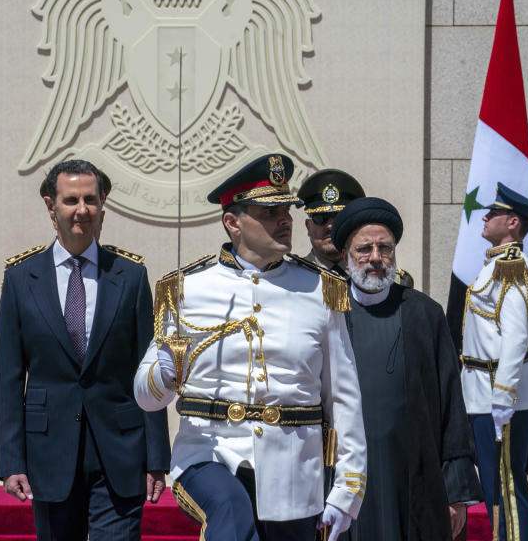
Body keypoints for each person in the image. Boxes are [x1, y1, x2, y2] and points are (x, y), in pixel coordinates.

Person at [134, 153, 367, 541]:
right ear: (232, 222)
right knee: (230, 513)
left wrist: (349, 487)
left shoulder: (321, 289)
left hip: (294, 473)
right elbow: (145, 396)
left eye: (286, 210)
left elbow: (344, 398)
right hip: (208, 459)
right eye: (269, 211)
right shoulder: (185, 289)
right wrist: (167, 370)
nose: (285, 220)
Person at [0, 159, 171, 541]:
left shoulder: (130, 276)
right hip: (49, 451)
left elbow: (150, 370)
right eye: (71, 200)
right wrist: (10, 461)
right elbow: (8, 377)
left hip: (120, 451)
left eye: (91, 199)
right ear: (50, 206)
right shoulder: (21, 279)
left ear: (103, 204)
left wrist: (156, 458)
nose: (82, 210)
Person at [328, 197, 482, 540]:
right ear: (345, 256)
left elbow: (451, 406)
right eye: (364, 249)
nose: (376, 258)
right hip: (342, 475)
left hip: (412, 474)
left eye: (385, 248)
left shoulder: (424, 313)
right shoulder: (327, 313)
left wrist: (456, 491)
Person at [460, 183, 528, 541]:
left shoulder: (512, 268)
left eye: (494, 213)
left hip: (501, 395)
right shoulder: (497, 265)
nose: (485, 217)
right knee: (496, 486)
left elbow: (515, 337)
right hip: (485, 391)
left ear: (513, 222)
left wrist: (503, 395)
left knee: (506, 487)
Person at [297, 169, 414, 287]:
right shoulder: (293, 278)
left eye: (339, 218)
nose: (331, 226)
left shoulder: (390, 279)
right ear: (308, 226)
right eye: (321, 218)